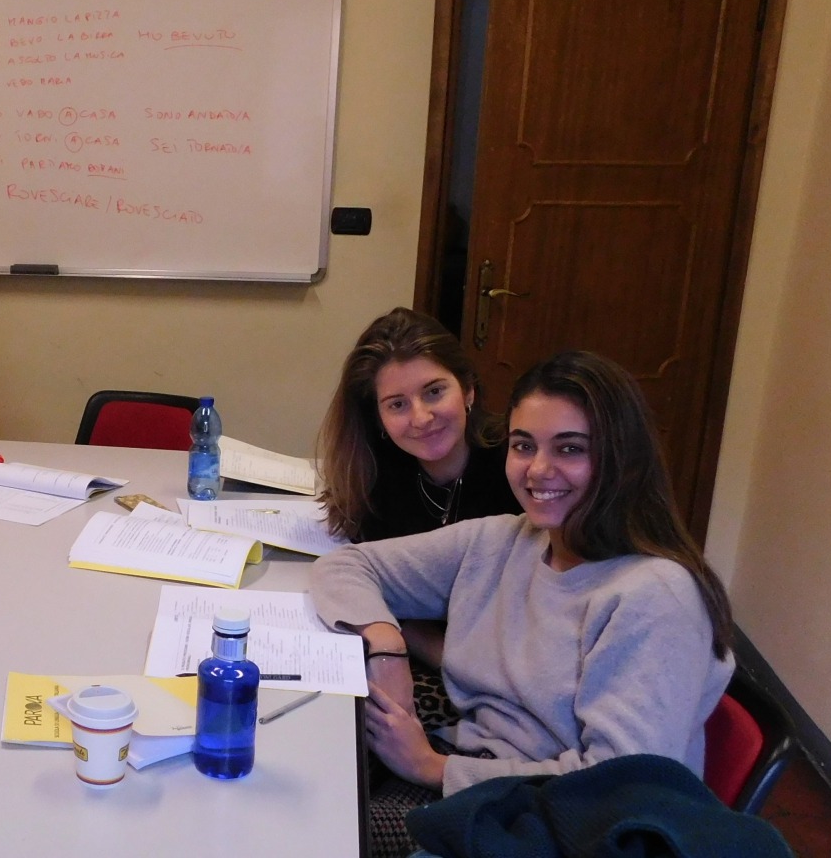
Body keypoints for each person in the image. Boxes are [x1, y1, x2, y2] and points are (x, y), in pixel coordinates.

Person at [310, 350, 735, 858]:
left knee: (322, 838)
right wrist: (386, 643)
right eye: (523, 445)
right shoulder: (507, 540)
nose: (538, 469)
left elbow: (615, 791)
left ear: (622, 460)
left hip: (538, 821)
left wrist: (431, 767)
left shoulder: (654, 598)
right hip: (472, 767)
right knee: (299, 780)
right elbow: (345, 566)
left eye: (570, 448)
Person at [317, 307, 520, 543]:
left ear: (468, 390)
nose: (421, 418)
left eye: (434, 392)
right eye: (397, 404)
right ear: (377, 417)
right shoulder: (371, 480)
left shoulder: (516, 462)